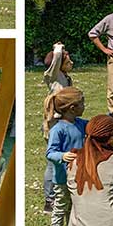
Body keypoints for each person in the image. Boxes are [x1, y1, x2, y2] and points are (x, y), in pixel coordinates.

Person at [45, 87, 88, 226]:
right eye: (82, 102)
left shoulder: (80, 123)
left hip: (78, 177)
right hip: (62, 179)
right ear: (72, 108)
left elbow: (95, 124)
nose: (85, 105)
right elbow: (50, 153)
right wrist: (63, 156)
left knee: (75, 206)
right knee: (60, 208)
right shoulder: (58, 129)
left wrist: (111, 115)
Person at [41, 42, 74, 213]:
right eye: (68, 60)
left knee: (65, 159)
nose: (72, 63)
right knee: (53, 163)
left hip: (64, 125)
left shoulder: (65, 77)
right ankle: (49, 200)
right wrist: (58, 48)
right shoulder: (54, 76)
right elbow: (56, 59)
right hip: (54, 126)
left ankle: (65, 192)